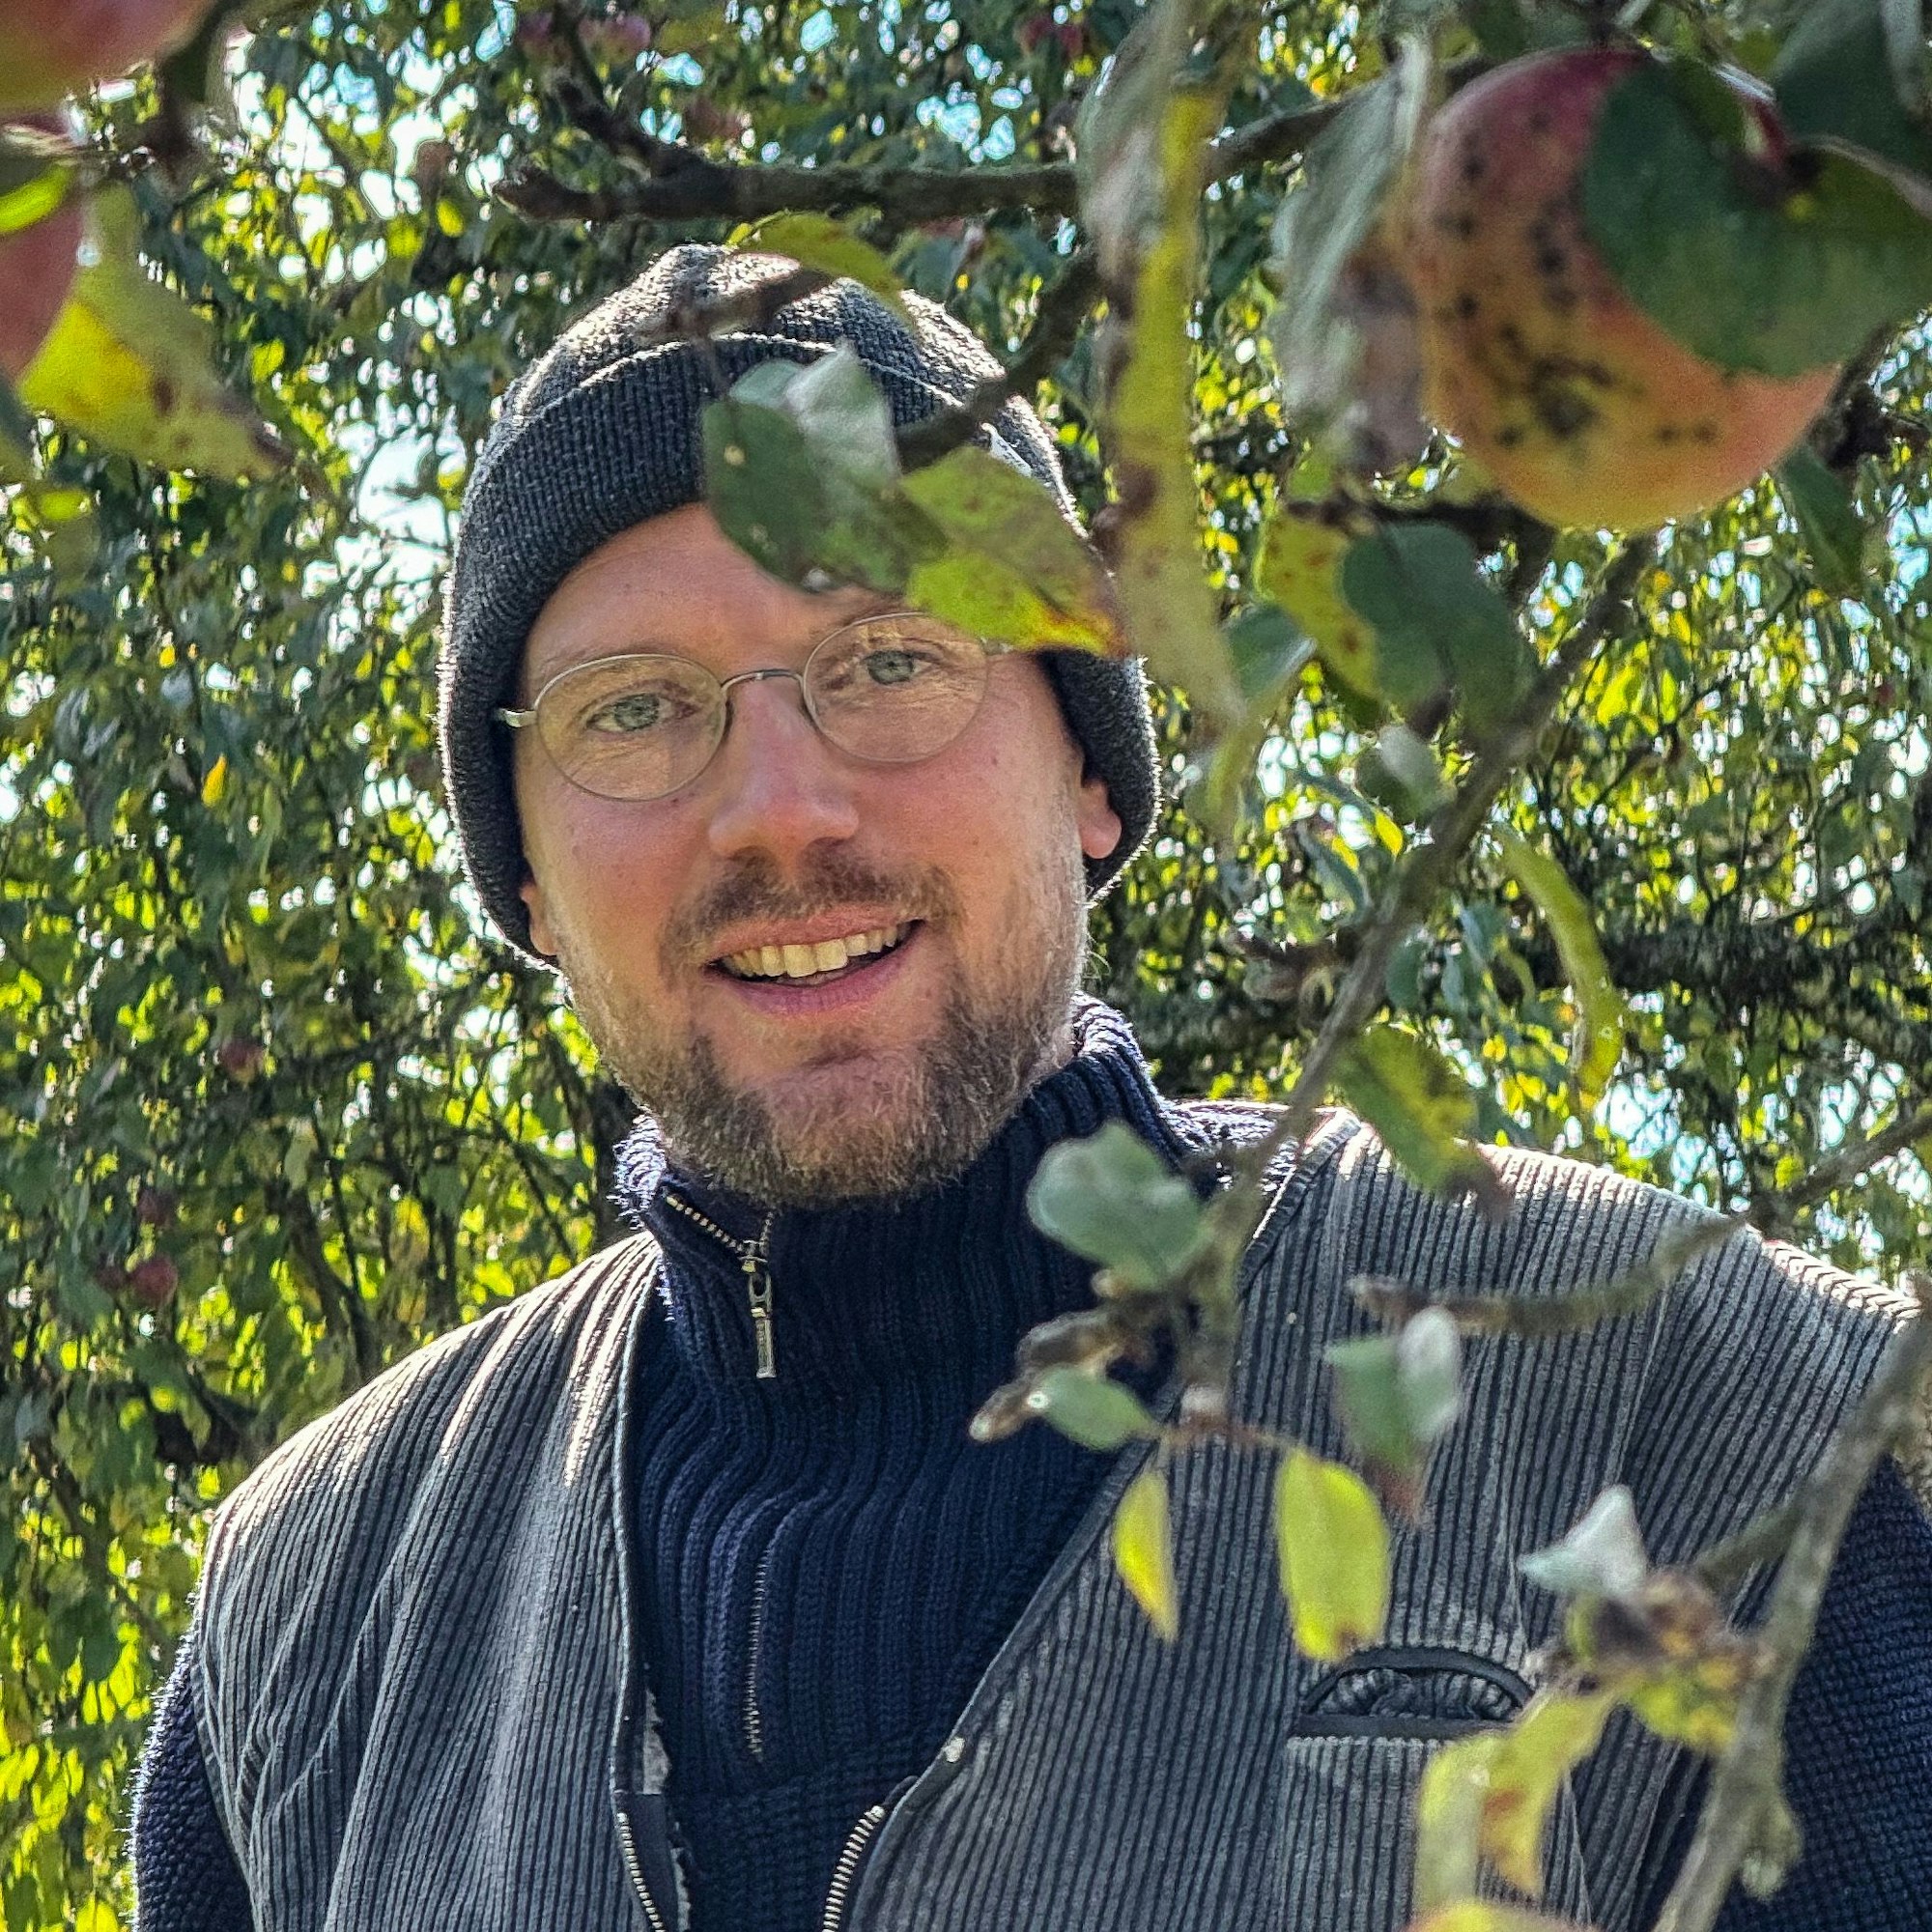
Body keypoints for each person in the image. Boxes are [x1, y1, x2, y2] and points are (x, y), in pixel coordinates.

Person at [128, 245, 1932, 1932]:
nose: (776, 808)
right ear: (523, 879)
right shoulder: (311, 1631)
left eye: (889, 663)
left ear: (1087, 769)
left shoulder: (1696, 1408)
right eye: (631, 710)